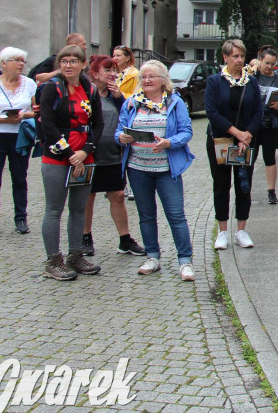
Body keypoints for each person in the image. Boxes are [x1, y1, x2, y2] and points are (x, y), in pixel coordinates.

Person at [117, 61, 196, 280]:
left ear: (163, 80)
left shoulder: (174, 103)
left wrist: (169, 142)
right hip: (138, 168)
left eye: (152, 77)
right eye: (144, 77)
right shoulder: (132, 103)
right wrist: (121, 137)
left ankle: (185, 260)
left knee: (176, 215)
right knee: (146, 215)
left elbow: (186, 132)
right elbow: (119, 130)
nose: (147, 81)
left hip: (166, 169)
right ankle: (152, 256)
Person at [38, 44, 103, 280]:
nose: (68, 65)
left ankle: (75, 255)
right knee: (54, 209)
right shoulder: (51, 88)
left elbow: (98, 124)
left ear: (83, 64)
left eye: (74, 61)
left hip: (85, 157)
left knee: (78, 209)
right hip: (57, 157)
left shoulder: (90, 89)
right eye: (64, 61)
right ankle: (53, 260)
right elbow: (48, 124)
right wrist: (69, 154)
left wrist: (85, 152)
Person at [81, 55, 145, 257]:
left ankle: (125, 239)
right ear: (94, 74)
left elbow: (130, 118)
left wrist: (119, 98)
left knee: (117, 196)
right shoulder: (86, 94)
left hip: (112, 154)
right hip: (89, 154)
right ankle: (85, 237)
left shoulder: (117, 97)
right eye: (107, 70)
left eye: (114, 70)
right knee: (87, 197)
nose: (112, 74)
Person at [205, 39, 263, 250]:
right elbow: (212, 112)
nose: (239, 60)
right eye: (235, 56)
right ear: (226, 57)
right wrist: (236, 133)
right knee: (221, 184)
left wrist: (246, 135)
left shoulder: (252, 82)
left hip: (246, 141)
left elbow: (258, 111)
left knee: (244, 184)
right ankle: (222, 231)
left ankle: (241, 229)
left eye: (241, 56)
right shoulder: (215, 81)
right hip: (221, 139)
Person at [0, 47, 35, 236]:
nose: (21, 64)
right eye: (16, 60)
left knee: (20, 177)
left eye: (22, 61)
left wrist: (24, 115)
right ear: (4, 63)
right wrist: (4, 120)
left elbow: (37, 110)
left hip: (19, 136)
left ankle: (21, 218)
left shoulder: (29, 84)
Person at [255, 48, 278, 204]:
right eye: (266, 63)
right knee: (250, 157)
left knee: (269, 158)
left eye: (272, 64)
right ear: (260, 60)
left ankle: (271, 191)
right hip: (254, 123)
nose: (269, 67)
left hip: (271, 123)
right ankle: (245, 188)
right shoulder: (252, 76)